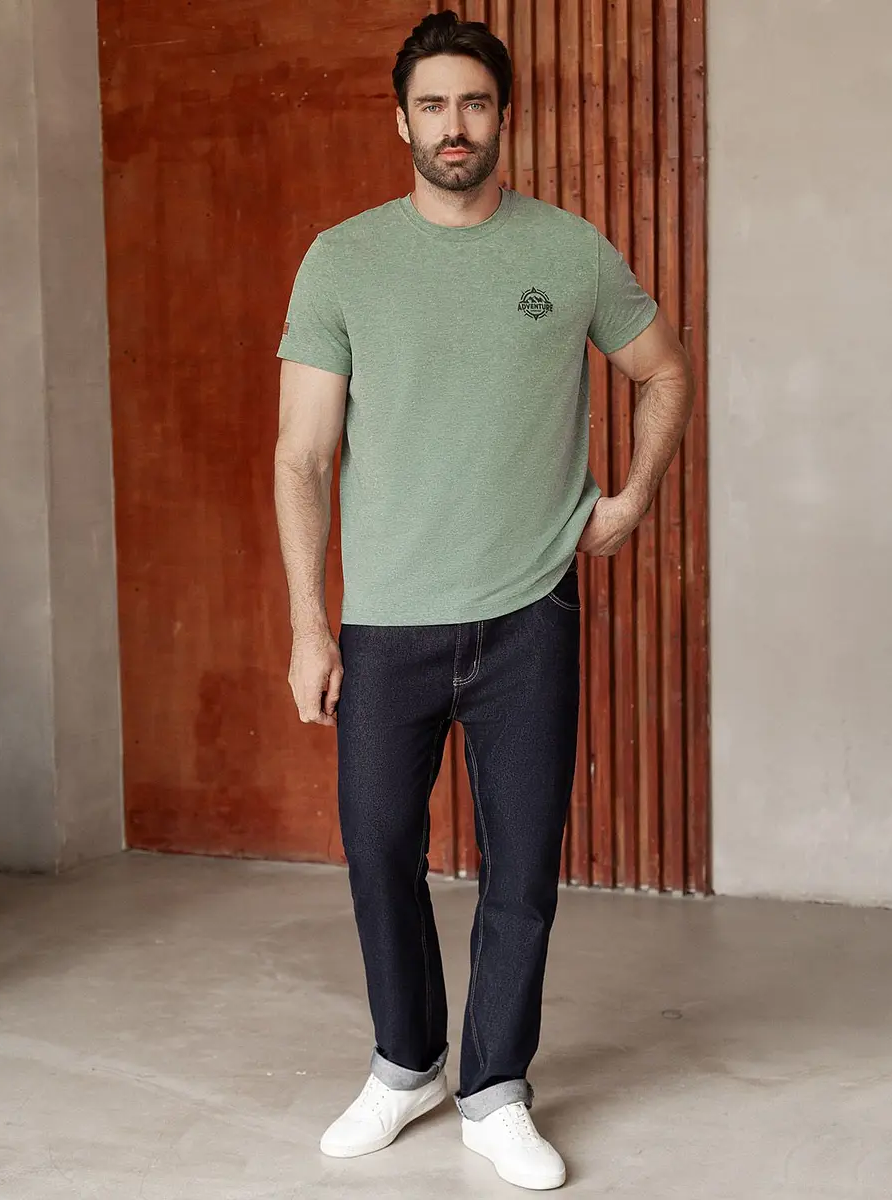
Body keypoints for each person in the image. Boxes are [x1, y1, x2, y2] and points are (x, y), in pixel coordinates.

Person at [274, 10, 693, 1192]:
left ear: (504, 116)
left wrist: (633, 499)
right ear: (400, 120)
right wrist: (309, 624)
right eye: (433, 105)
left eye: (474, 103)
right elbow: (302, 456)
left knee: (522, 871)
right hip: (386, 622)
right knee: (378, 852)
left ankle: (496, 1089)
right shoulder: (344, 259)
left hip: (529, 616)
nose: (453, 125)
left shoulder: (569, 251)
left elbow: (663, 370)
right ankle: (406, 1064)